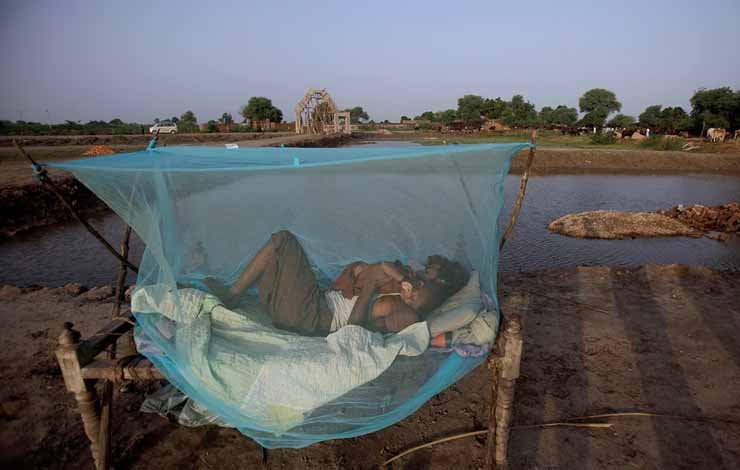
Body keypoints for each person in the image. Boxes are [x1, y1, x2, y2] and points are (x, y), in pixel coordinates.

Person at [203, 231, 468, 337]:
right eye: (421, 277)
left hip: (308, 316)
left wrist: (369, 289)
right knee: (278, 252)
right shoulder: (401, 293)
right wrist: (393, 279)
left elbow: (353, 333)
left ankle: (234, 295)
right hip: (304, 308)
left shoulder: (407, 315)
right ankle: (234, 294)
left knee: (284, 240)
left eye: (426, 277)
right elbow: (382, 269)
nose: (419, 279)